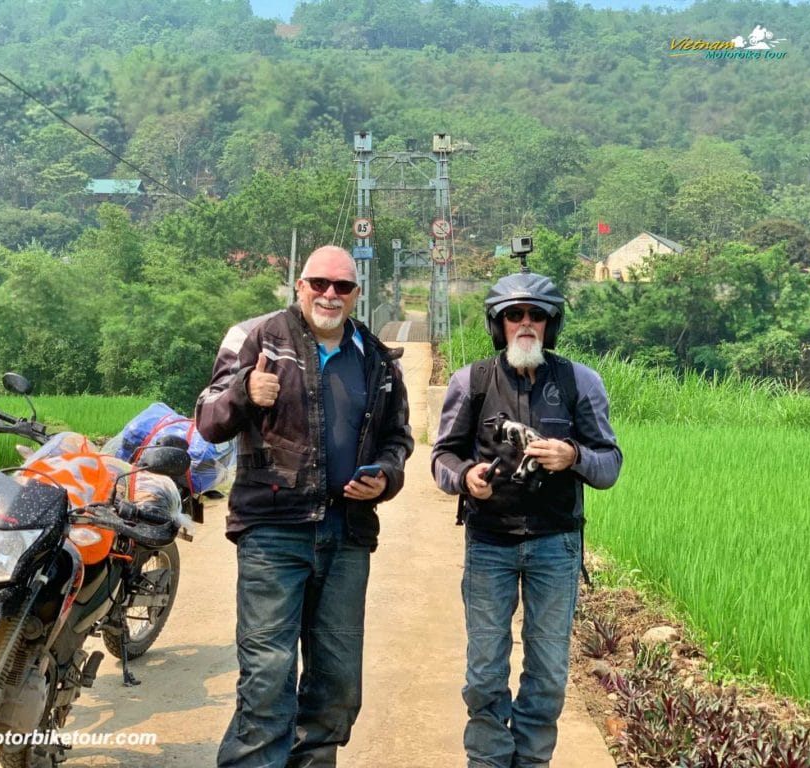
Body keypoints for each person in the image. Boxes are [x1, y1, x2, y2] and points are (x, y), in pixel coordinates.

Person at [196, 245, 413, 768]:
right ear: (299, 286)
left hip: (347, 533)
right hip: (274, 530)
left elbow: (397, 438)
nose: (330, 295)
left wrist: (385, 478)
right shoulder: (258, 337)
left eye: (342, 286)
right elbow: (207, 418)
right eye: (319, 283)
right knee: (268, 679)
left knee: (336, 683)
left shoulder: (377, 359)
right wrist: (246, 392)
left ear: (357, 294)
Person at [430, 270, 622, 768]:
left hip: (556, 545)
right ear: (499, 325)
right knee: (485, 671)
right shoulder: (470, 381)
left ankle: (532, 762)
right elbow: (442, 457)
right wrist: (467, 476)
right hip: (489, 542)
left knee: (548, 673)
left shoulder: (581, 382)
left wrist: (572, 454)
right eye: (514, 315)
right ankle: (489, 762)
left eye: (536, 315)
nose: (526, 324)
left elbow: (610, 463)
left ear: (550, 324)